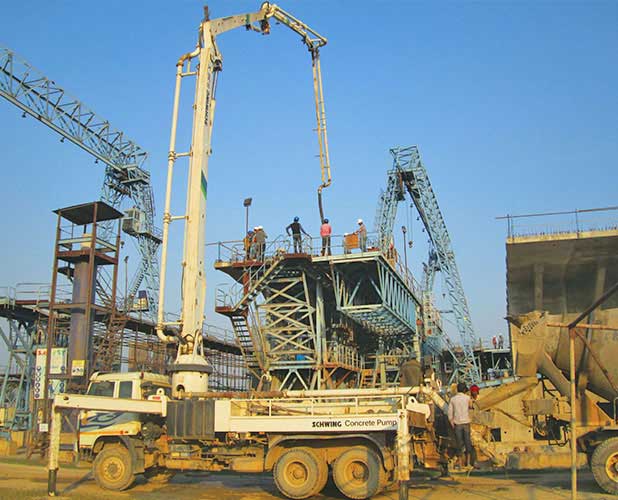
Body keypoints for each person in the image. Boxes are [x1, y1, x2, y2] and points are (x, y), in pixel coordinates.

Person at [448, 382, 476, 469]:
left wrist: (452, 423)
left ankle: (460, 464)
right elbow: (471, 407)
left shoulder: (453, 399)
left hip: (457, 424)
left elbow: (450, 413)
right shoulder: (467, 398)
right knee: (468, 443)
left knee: (459, 444)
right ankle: (468, 463)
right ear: (464, 390)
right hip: (466, 423)